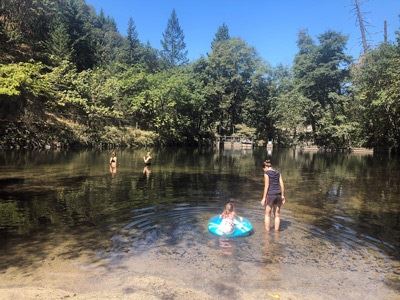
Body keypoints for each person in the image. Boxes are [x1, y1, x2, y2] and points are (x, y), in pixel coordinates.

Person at [261, 160, 286, 231]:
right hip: (278, 195)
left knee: (267, 214)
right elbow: (282, 184)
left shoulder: (266, 174)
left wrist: (263, 198)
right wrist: (282, 196)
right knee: (277, 214)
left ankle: (267, 233)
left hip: (270, 195)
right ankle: (276, 233)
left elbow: (266, 186)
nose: (264, 170)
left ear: (265, 167)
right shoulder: (278, 173)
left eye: (263, 169)